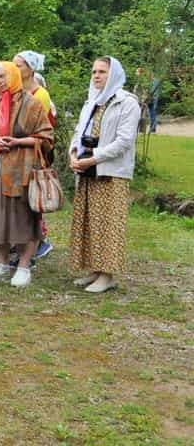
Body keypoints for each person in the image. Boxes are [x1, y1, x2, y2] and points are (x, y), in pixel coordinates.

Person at [0, 61, 54, 288]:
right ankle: (2, 264)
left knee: (24, 217)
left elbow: (47, 137)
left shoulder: (32, 104)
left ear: (14, 76)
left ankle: (24, 266)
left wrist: (18, 142)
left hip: (23, 169)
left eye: (3, 76)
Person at [69, 57, 140, 293]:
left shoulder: (127, 102)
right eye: (94, 72)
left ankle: (108, 275)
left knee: (109, 224)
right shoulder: (92, 101)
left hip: (111, 172)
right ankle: (95, 270)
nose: (96, 76)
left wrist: (94, 157)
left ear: (114, 74)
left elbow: (124, 141)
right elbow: (79, 132)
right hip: (88, 170)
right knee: (90, 222)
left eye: (102, 72)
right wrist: (73, 154)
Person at [13, 50, 56, 260]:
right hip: (14, 154)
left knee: (31, 200)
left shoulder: (40, 95)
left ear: (30, 69)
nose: (14, 69)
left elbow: (37, 127)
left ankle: (37, 243)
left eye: (19, 65)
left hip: (32, 154)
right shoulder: (14, 91)